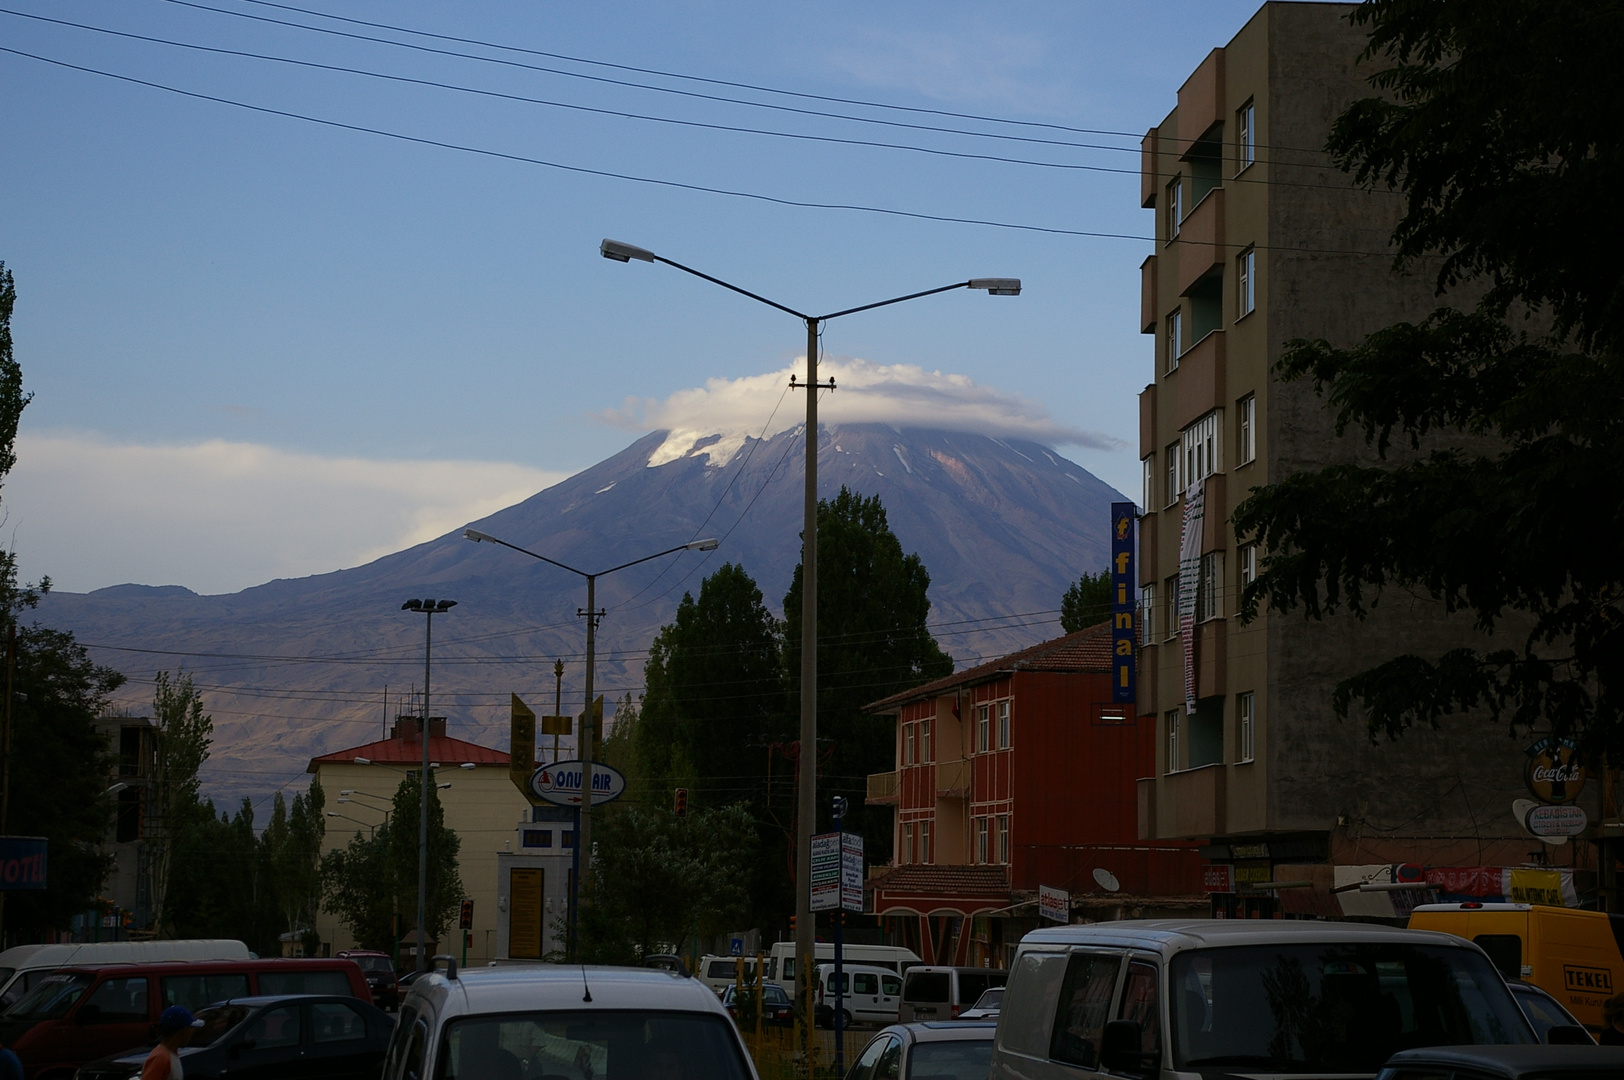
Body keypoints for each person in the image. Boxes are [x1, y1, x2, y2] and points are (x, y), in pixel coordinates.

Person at [142, 1005, 204, 1080]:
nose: (192, 1032)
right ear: (183, 1031)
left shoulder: (171, 1054)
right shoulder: (160, 1058)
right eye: (191, 1028)